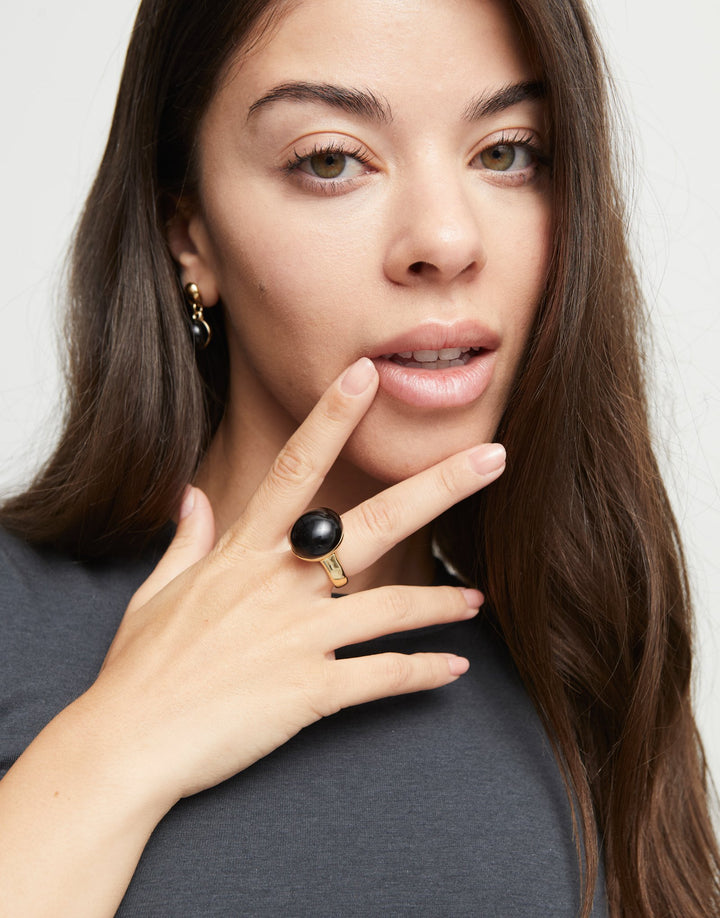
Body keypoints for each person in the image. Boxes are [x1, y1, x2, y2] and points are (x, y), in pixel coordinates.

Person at [0, 0, 717, 915]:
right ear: (190, 234)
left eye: (507, 152)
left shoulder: (591, 687)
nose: (446, 242)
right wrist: (118, 746)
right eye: (332, 160)